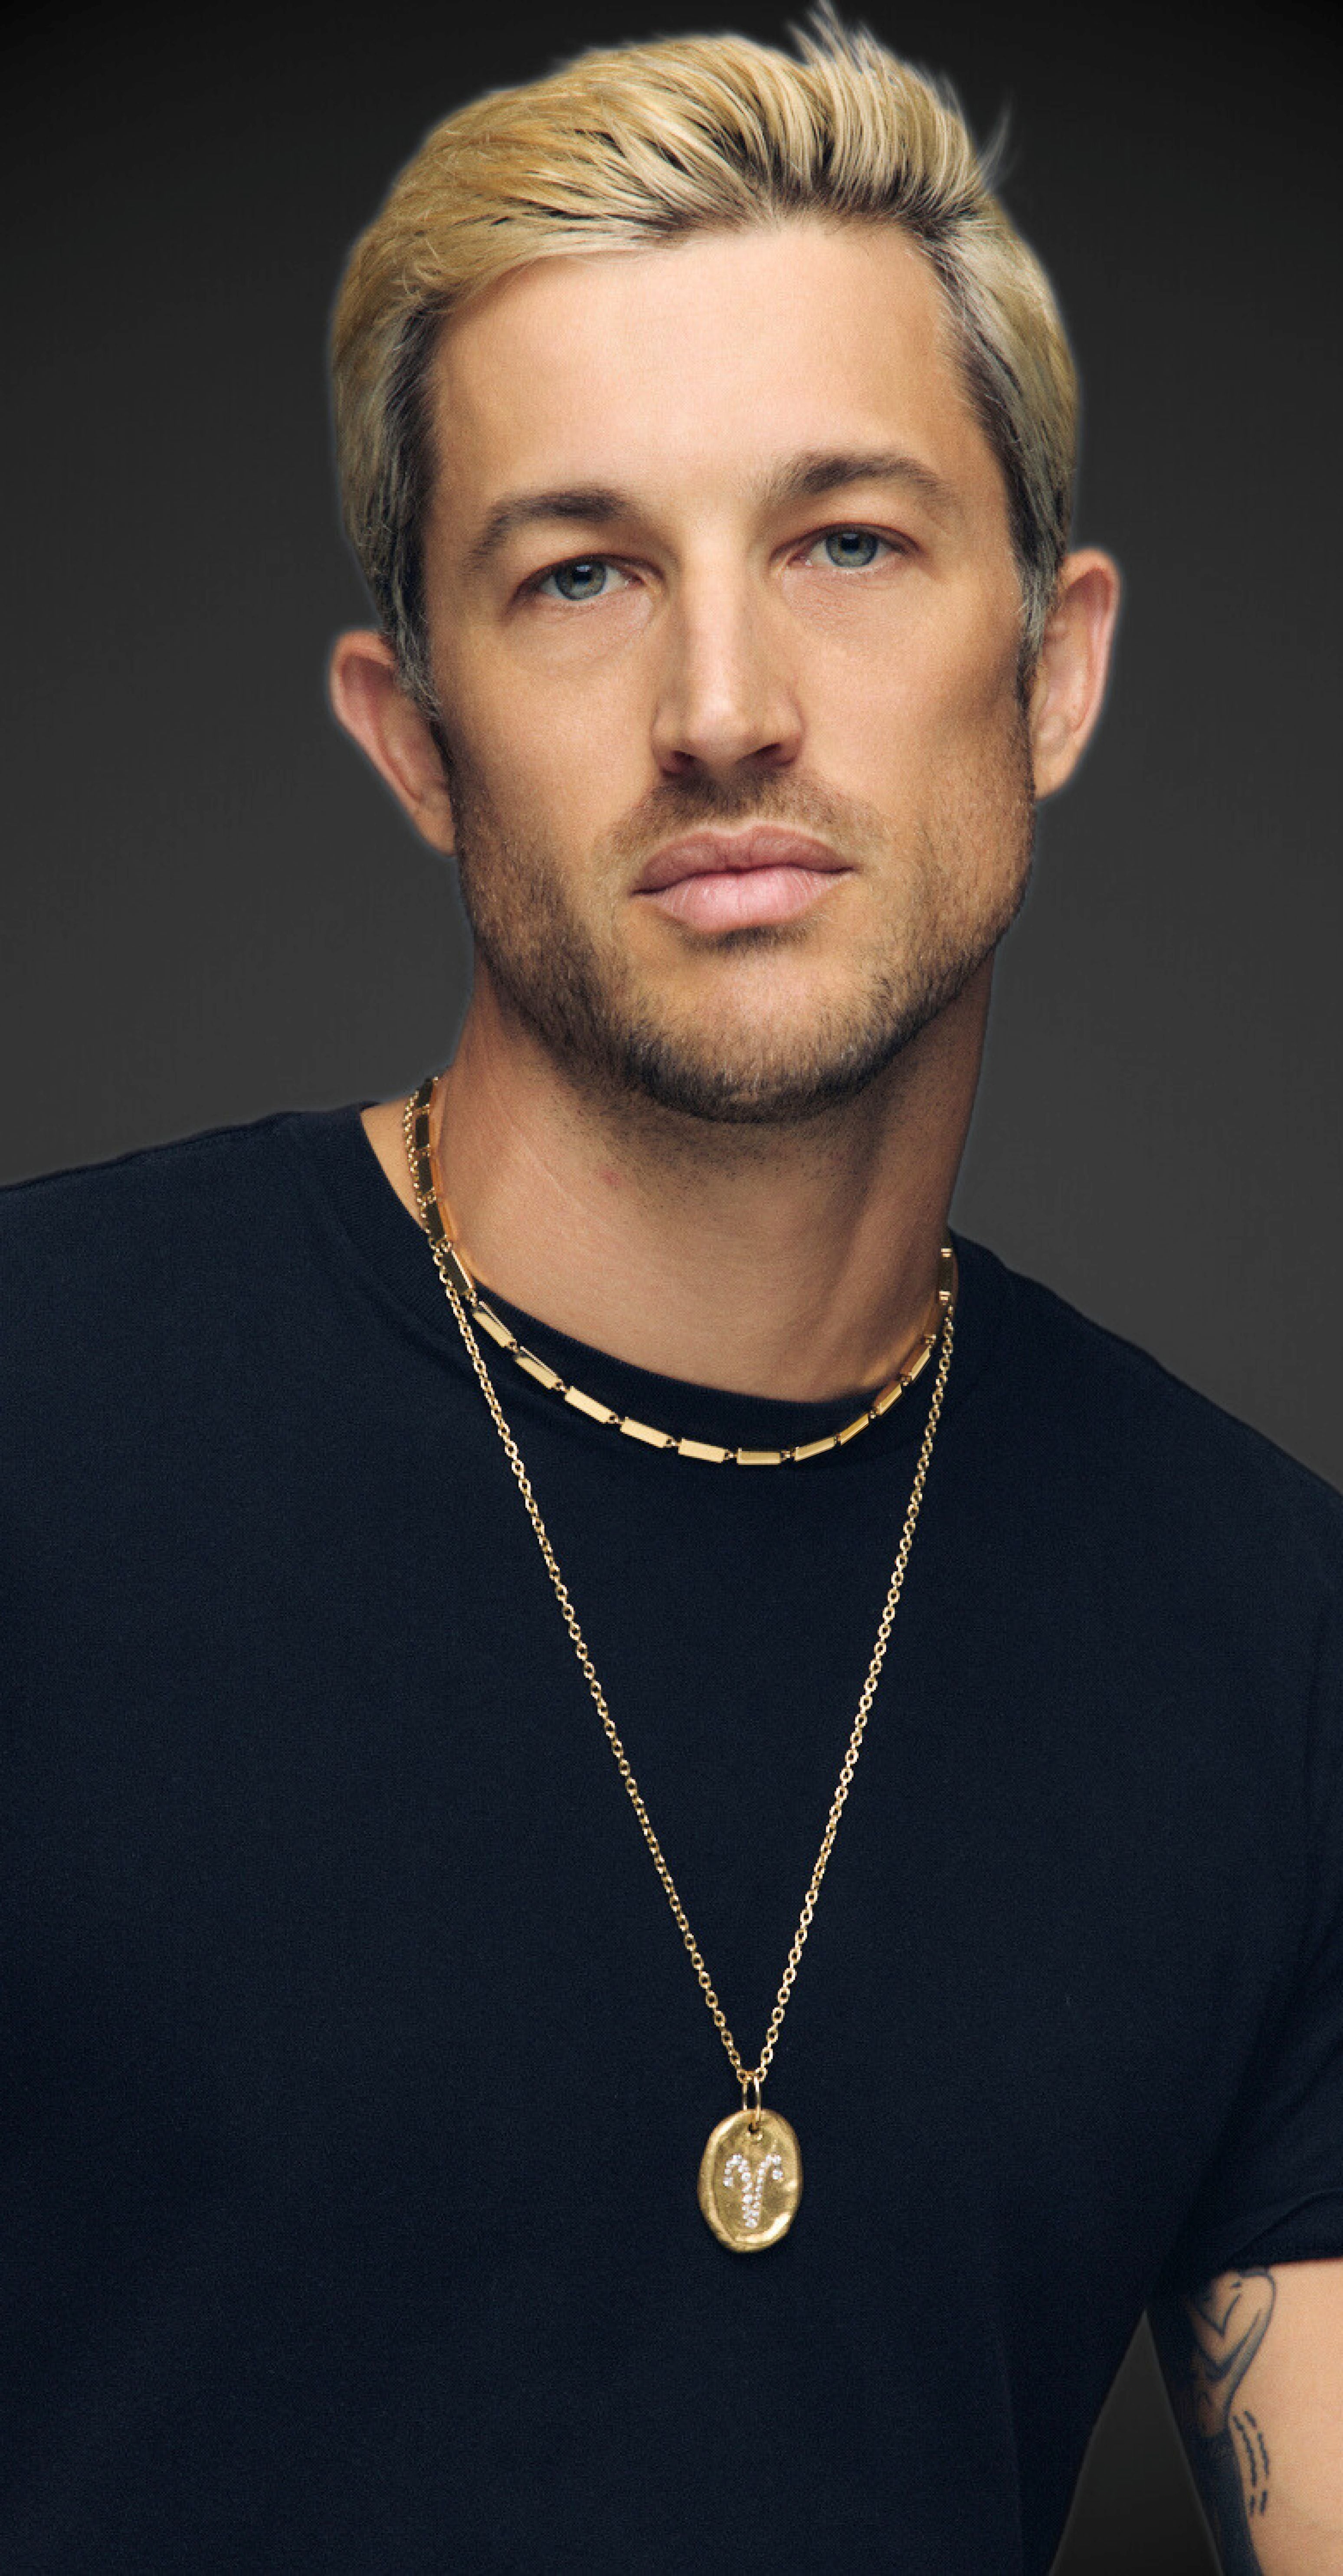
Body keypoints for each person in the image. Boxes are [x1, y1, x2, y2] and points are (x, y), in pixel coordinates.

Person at [2, 13, 1340, 2570]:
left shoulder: (1268, 1640)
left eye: (842, 539)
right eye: (580, 572)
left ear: (1050, 665)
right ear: (412, 736)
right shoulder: (37, 1421)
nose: (723, 709)